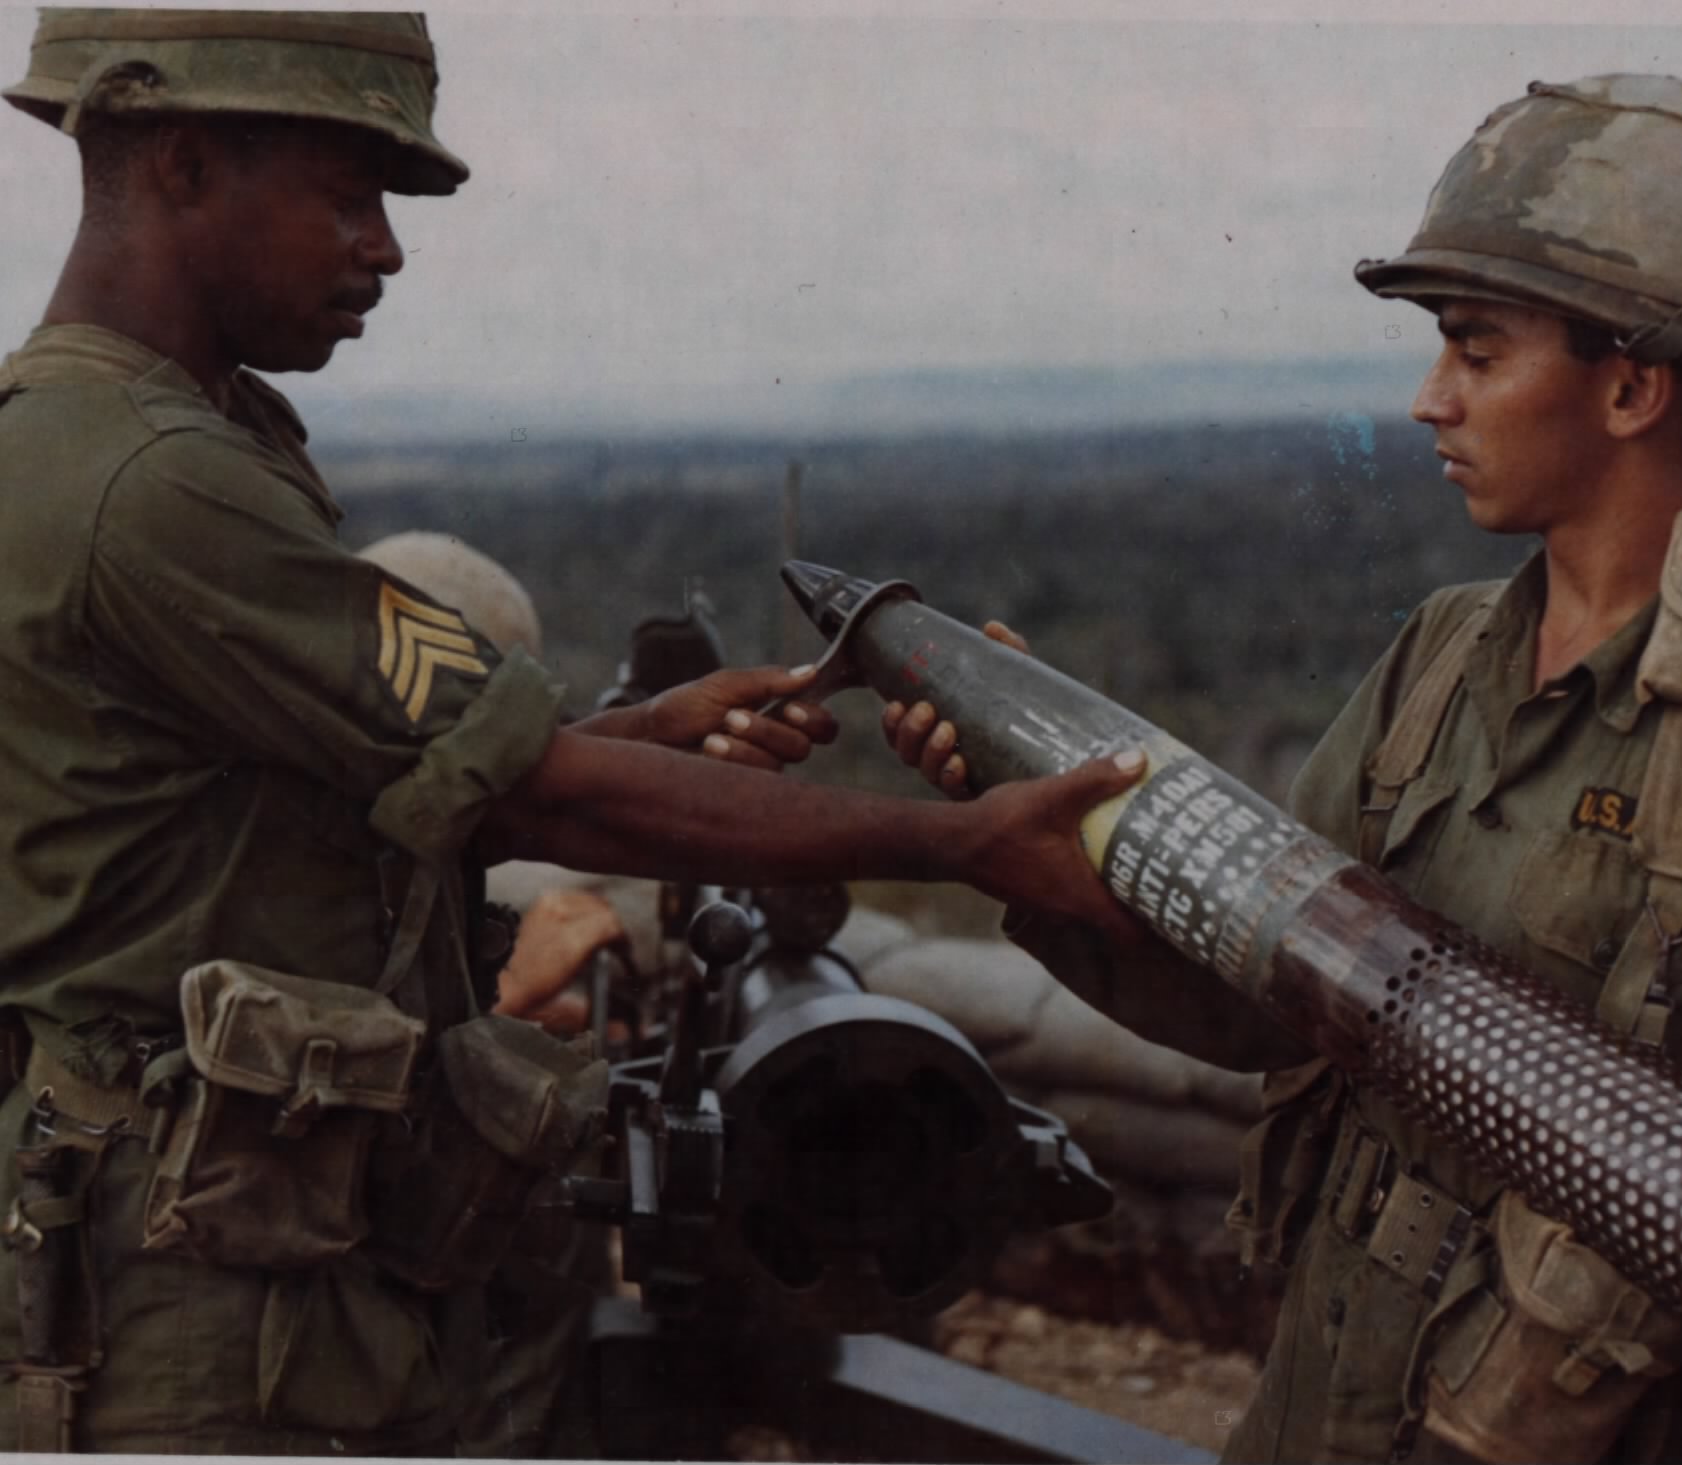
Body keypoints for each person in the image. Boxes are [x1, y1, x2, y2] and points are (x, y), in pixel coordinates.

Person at [0, 12, 1147, 1454]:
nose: (385, 247)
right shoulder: (153, 483)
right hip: (196, 1309)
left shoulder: (122, 438)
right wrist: (967, 841)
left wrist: (647, 727)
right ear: (178, 164)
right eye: (347, 193)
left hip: (219, 1256)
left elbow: (330, 791)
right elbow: (546, 799)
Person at [888, 75, 1682, 1464]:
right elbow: (1266, 1003)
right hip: (1337, 1395)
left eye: (1475, 351)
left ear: (1630, 385)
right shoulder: (1442, 657)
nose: (1426, 401)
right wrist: (1033, 839)